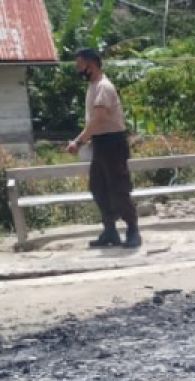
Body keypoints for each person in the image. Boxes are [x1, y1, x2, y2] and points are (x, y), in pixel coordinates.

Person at [67, 48, 140, 249]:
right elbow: (94, 123)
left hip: (112, 143)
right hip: (100, 144)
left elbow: (98, 121)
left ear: (91, 64)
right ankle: (110, 231)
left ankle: (133, 230)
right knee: (99, 188)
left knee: (118, 189)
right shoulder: (93, 86)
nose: (78, 69)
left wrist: (78, 142)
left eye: (80, 64)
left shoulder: (103, 87)